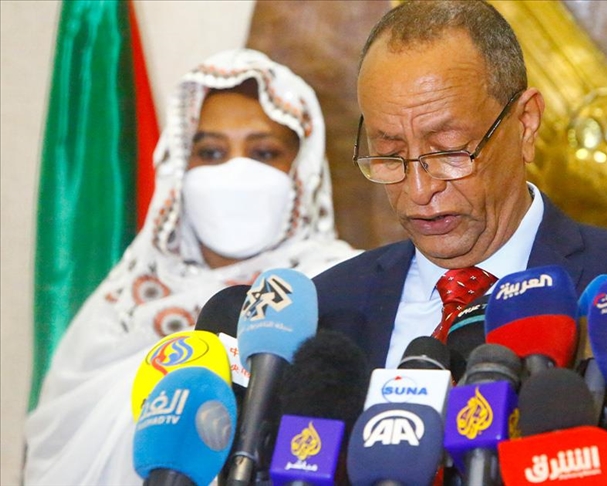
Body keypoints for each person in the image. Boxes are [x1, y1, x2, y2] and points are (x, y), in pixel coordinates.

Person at [313, 1, 607, 484]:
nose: (419, 189)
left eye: (449, 150)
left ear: (526, 124)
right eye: (389, 155)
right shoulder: (330, 310)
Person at [24, 48, 359, 485]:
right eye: (212, 152)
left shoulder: (344, 288)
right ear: (179, 165)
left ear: (303, 170)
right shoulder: (119, 308)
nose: (236, 173)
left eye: (263, 153)